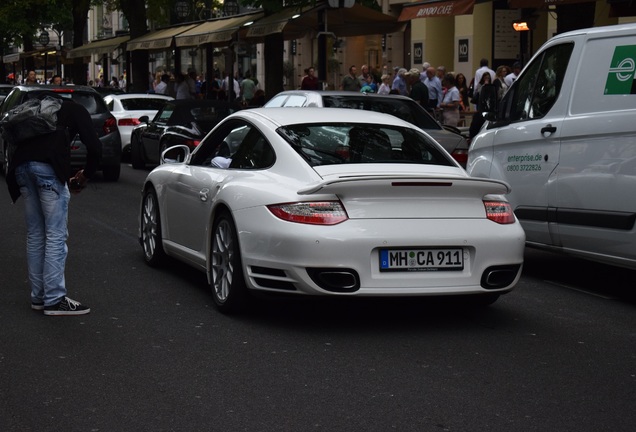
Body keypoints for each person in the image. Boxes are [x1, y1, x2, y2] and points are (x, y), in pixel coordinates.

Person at [5, 92, 102, 315]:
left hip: (21, 168)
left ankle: (38, 296)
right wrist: (85, 175)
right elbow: (95, 147)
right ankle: (55, 298)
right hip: (47, 169)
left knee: (35, 234)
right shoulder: (77, 110)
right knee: (55, 234)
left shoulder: (38, 111)